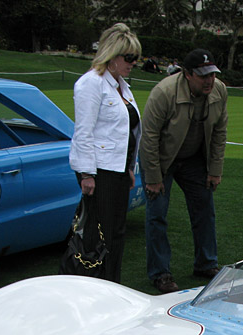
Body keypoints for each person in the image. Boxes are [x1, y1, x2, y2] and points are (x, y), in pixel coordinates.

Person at [140, 49, 228, 293]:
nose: (209, 80)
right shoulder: (164, 93)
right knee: (157, 213)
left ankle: (206, 264)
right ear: (187, 74)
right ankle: (160, 273)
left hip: (193, 159)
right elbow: (149, 138)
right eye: (203, 75)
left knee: (204, 208)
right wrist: (154, 177)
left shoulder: (219, 91)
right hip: (161, 157)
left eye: (211, 74)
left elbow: (220, 132)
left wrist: (214, 170)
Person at [68, 23, 142, 283]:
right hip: (100, 172)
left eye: (136, 58)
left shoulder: (121, 86)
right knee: (98, 234)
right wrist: (87, 173)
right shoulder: (91, 84)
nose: (133, 63)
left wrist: (130, 168)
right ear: (112, 55)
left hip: (118, 171)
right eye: (129, 57)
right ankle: (90, 284)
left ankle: (111, 283)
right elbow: (83, 132)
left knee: (116, 234)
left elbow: (127, 133)